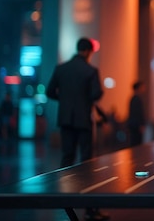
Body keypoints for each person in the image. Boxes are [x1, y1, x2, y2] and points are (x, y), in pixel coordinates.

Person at [46, 37, 109, 221]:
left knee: (67, 158)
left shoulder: (61, 69)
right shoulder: (90, 71)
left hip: (66, 119)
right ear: (89, 52)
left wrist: (66, 101)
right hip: (83, 120)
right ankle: (90, 209)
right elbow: (96, 93)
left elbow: (50, 92)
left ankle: (63, 200)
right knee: (87, 162)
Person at [127, 81, 147, 146]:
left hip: (135, 125)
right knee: (136, 143)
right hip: (136, 126)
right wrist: (140, 125)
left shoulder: (134, 99)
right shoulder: (136, 99)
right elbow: (137, 113)